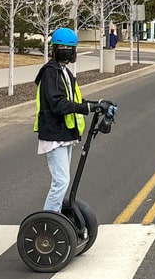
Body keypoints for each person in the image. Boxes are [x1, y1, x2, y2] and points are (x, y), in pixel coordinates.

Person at [34, 27, 112, 212]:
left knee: (64, 180)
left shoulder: (65, 72)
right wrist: (88, 108)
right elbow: (58, 104)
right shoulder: (50, 72)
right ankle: (49, 219)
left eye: (69, 47)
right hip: (54, 133)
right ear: (55, 48)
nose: (66, 51)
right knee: (61, 181)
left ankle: (57, 216)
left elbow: (74, 101)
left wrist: (97, 104)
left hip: (66, 133)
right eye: (61, 47)